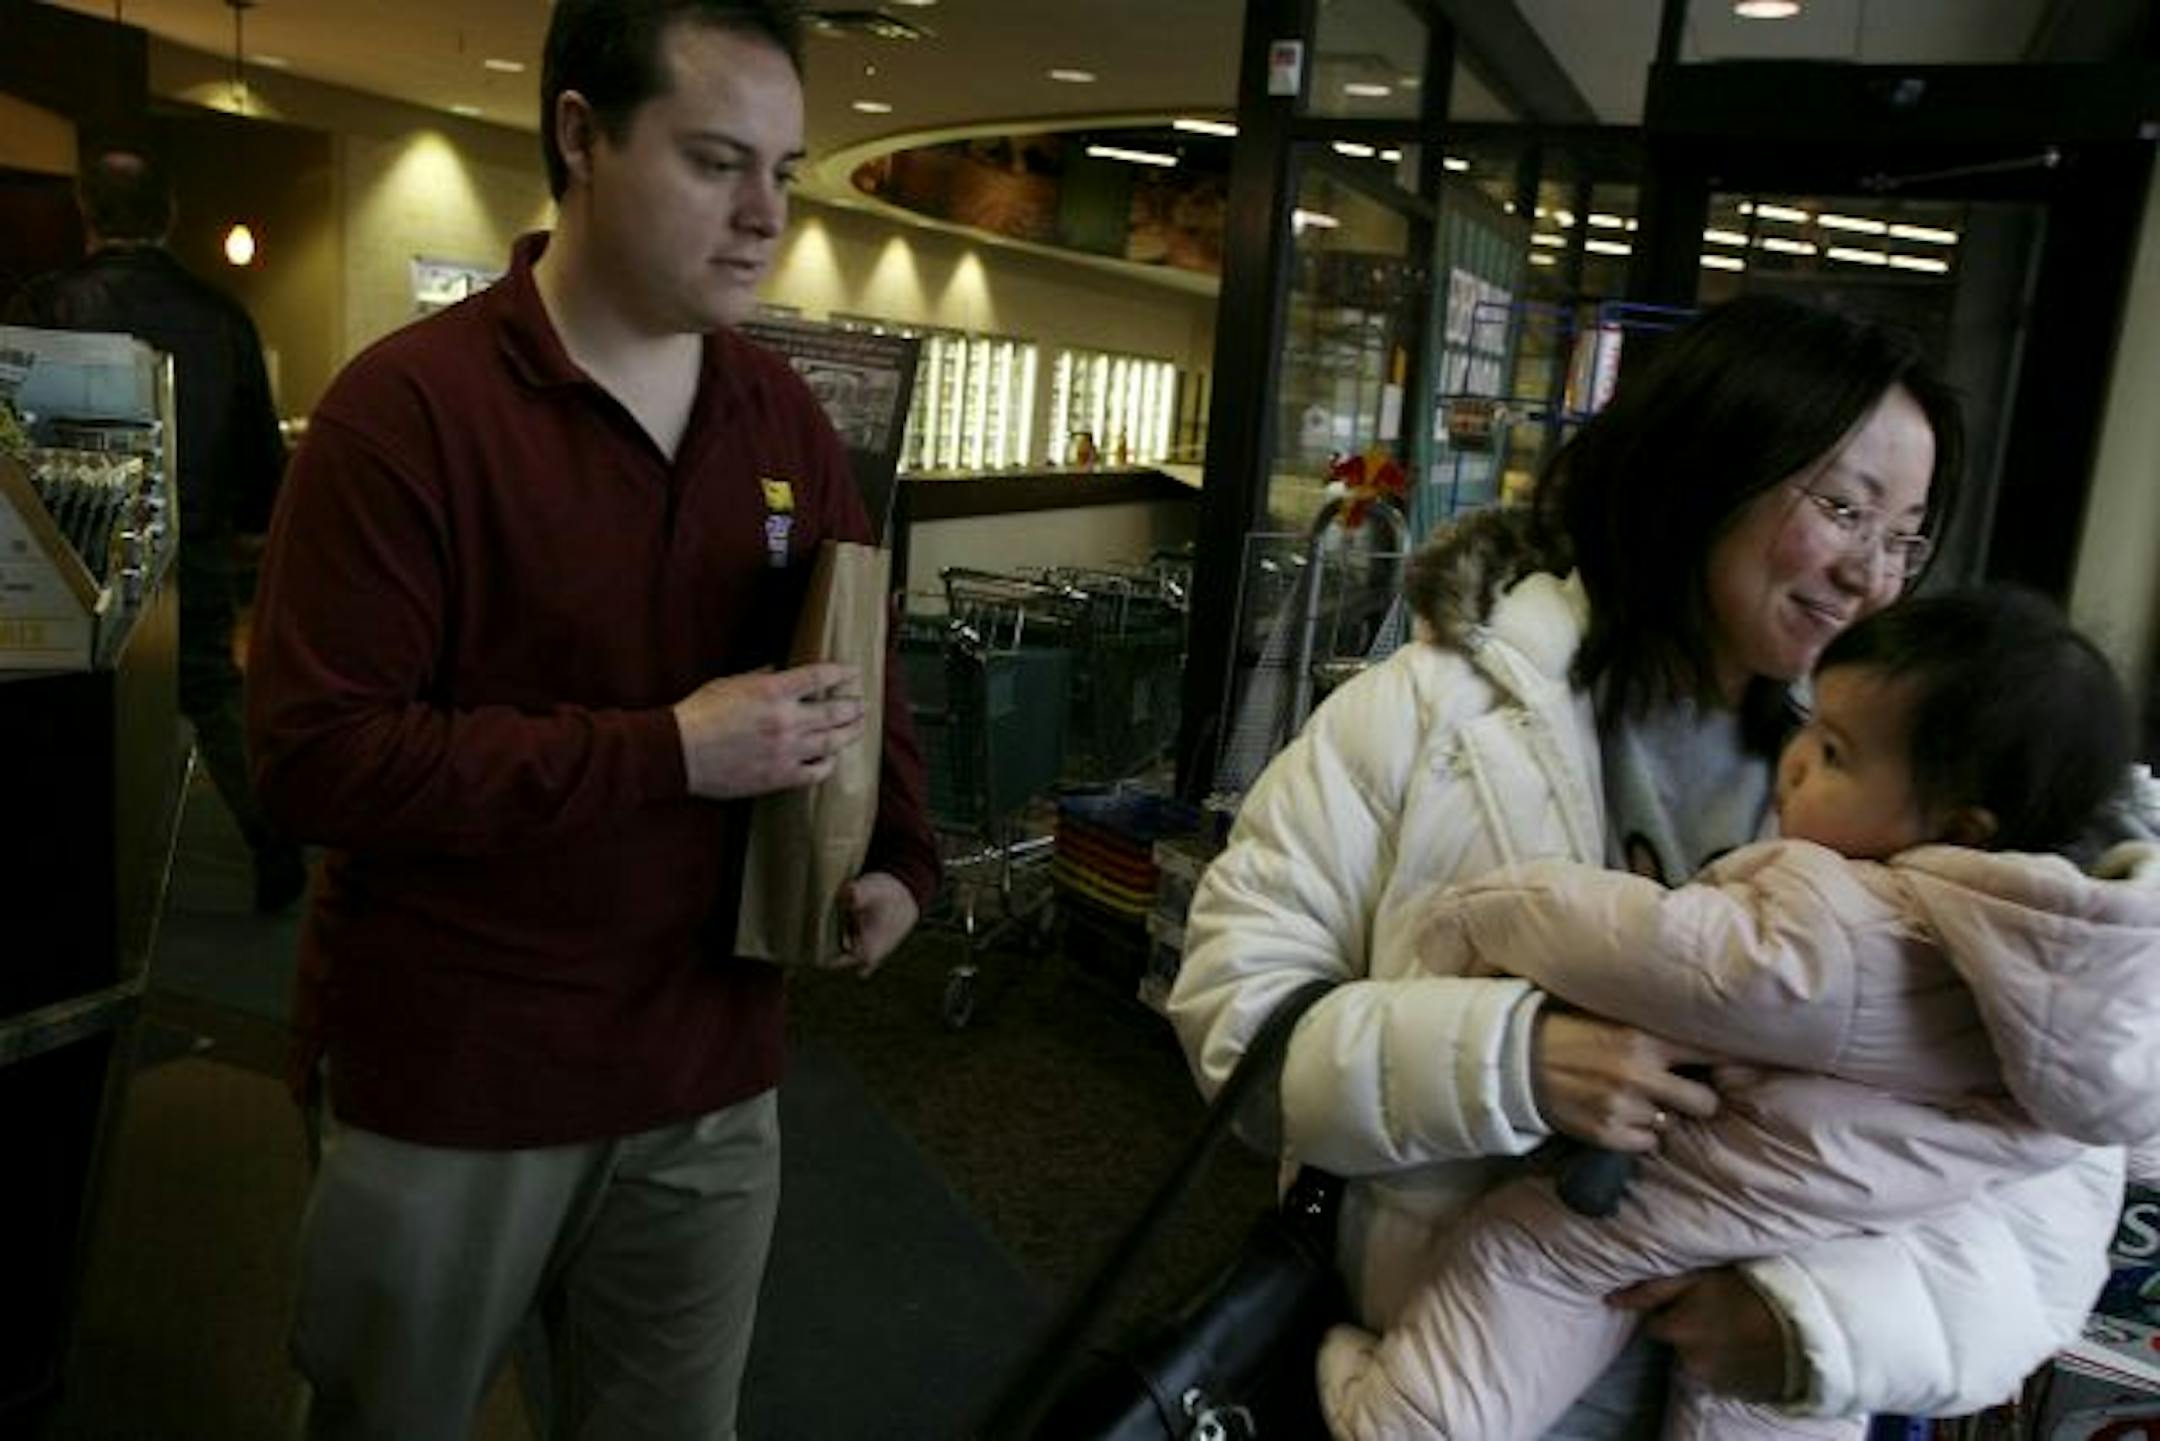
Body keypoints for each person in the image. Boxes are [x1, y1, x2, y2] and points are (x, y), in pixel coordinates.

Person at [1169, 294, 2131, 1438]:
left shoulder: (1938, 794)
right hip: (1440, 1372)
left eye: (1906, 534)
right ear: (1706, 468)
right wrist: (1507, 1058)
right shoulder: (1427, 718)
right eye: (1846, 509)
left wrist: (1811, 1324)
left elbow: (2051, 1197)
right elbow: (1237, 1021)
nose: (1873, 573)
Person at [243, 1, 939, 1435]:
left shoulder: (780, 420)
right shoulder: (409, 413)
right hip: (460, 1074)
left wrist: (901, 858)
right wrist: (670, 749)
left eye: (786, 171)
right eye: (714, 162)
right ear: (579, 136)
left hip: (708, 1070)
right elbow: (317, 762)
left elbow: (858, 658)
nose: (763, 218)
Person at [1316, 587, 2160, 1441]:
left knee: (1528, 1253)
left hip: (1706, 1195)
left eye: (1833, 752)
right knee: (1768, 1417)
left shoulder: (1857, 928)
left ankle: (1400, 1420)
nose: (1797, 760)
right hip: (1817, 1247)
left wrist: (1493, 907)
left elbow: (1666, 951)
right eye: (1811, 727)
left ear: (1960, 828)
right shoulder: (2076, 988)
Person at [6, 144, 304, 912]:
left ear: (85, 210)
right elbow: (261, 452)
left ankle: (69, 876)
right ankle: (277, 849)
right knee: (210, 692)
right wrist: (245, 527)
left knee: (74, 706)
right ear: (170, 214)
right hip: (192, 546)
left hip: (71, 547)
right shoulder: (220, 314)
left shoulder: (46, 304)